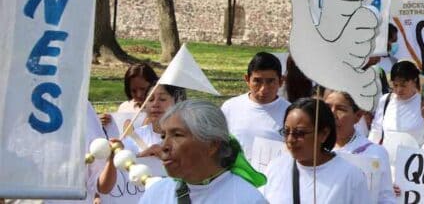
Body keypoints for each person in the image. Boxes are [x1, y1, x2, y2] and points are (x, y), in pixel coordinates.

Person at [139, 100, 267, 203]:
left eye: (177, 135)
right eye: (163, 136)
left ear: (212, 144)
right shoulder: (157, 194)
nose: (164, 146)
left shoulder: (246, 198)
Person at [263, 98, 369, 203]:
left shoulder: (351, 176)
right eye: (286, 131)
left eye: (300, 133)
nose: (290, 140)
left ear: (324, 134)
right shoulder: (275, 168)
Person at [98, 84, 186, 203]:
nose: (155, 104)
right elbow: (105, 186)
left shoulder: (189, 138)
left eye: (162, 99)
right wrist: (135, 158)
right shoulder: (132, 139)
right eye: (150, 99)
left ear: (178, 102)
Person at [323, 90, 394, 204]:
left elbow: (386, 199)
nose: (332, 114)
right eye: (327, 107)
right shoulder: (314, 149)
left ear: (358, 115)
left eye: (341, 109)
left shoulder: (375, 153)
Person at [221, 52, 291, 162]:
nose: (263, 89)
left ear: (281, 81)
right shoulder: (230, 107)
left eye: (270, 81)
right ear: (247, 79)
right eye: (257, 81)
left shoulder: (291, 112)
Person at [370, 61, 424, 144]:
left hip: (414, 154)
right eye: (395, 85)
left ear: (414, 80)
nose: (399, 90)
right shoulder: (386, 100)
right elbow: (376, 130)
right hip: (388, 153)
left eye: (403, 85)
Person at [100, 63, 159, 132]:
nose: (139, 95)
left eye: (143, 89)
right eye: (133, 90)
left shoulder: (162, 109)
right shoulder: (124, 108)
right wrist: (102, 124)